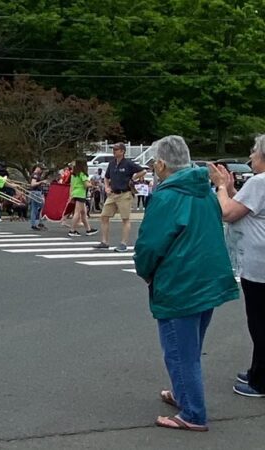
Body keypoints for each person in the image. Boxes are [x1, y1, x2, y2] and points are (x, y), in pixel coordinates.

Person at [134, 135, 238, 432]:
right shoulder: (203, 190)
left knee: (180, 351)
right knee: (190, 346)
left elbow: (150, 245)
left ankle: (193, 413)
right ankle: (183, 394)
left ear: (162, 164)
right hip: (208, 278)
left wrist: (145, 271)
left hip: (181, 281)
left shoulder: (167, 196)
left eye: (155, 162)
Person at [209, 134, 265, 398]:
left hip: (259, 265)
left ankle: (261, 380)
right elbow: (245, 207)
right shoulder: (257, 184)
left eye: (253, 153)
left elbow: (228, 213)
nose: (250, 158)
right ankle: (257, 370)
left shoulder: (259, 181)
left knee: (259, 322)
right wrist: (231, 191)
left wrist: (220, 187)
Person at [96, 142, 147, 252]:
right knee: (104, 216)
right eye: (113, 149)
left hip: (124, 193)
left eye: (116, 149)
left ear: (122, 151)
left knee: (125, 218)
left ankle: (123, 243)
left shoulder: (128, 163)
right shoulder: (112, 163)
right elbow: (106, 177)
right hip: (113, 193)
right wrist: (106, 187)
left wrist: (133, 178)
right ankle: (104, 241)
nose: (114, 151)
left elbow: (143, 171)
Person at [67, 160, 98, 237]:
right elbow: (86, 184)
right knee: (77, 212)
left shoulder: (74, 175)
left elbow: (71, 185)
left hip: (75, 193)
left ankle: (88, 229)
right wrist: (93, 185)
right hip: (81, 193)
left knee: (83, 212)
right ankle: (72, 230)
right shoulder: (82, 174)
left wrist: (70, 195)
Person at [29, 165, 47, 231]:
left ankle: (33, 224)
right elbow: (33, 184)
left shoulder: (34, 174)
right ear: (37, 168)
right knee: (42, 207)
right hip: (36, 192)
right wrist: (41, 182)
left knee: (34, 209)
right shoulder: (35, 175)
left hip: (34, 192)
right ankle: (40, 223)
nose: (42, 171)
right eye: (41, 169)